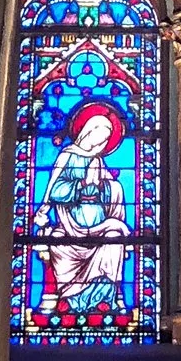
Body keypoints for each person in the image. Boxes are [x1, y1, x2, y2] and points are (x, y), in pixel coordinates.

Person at [35, 99, 133, 324]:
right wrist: (80, 186)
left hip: (99, 224)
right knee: (59, 240)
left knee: (115, 235)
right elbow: (54, 190)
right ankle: (69, 299)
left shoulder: (98, 162)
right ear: (88, 133)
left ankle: (104, 300)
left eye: (106, 140)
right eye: (99, 137)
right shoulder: (67, 156)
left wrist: (105, 187)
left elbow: (110, 190)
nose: (101, 143)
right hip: (71, 223)